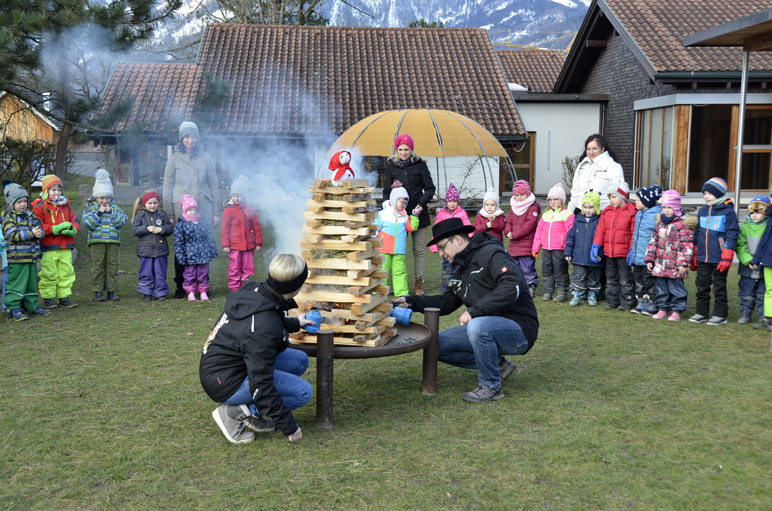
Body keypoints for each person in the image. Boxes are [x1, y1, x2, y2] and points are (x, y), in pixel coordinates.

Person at [393, 218, 539, 403]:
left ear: (457, 239)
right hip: (485, 326)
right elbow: (446, 302)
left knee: (477, 325)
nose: (440, 253)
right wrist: (410, 301)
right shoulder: (461, 270)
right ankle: (497, 366)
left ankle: (491, 386)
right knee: (435, 345)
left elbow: (513, 283)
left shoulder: (491, 253)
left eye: (442, 247)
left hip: (519, 329)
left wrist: (476, 310)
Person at [199, 253, 315, 444]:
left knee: (299, 361)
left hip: (226, 364)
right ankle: (234, 413)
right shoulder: (262, 329)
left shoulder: (257, 289)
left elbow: (266, 319)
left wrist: (295, 323)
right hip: (225, 382)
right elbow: (261, 383)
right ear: (298, 285)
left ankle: (251, 412)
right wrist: (288, 425)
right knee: (302, 392)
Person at [163, 121, 221, 299]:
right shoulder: (174, 159)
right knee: (182, 247)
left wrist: (216, 212)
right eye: (187, 137)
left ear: (197, 138)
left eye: (193, 136)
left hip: (203, 207)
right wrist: (170, 214)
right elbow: (167, 186)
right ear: (182, 139)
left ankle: (203, 285)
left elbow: (214, 184)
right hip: (181, 210)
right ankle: (182, 286)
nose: (190, 140)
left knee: (203, 247)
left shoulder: (206, 158)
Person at [382, 133, 436, 295]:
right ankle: (394, 284)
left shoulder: (420, 165)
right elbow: (386, 191)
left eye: (406, 149)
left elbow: (430, 189)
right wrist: (387, 207)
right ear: (396, 150)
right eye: (400, 150)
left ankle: (419, 283)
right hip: (398, 217)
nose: (403, 153)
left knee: (418, 250)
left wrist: (421, 204)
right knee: (395, 251)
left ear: (411, 149)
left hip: (418, 214)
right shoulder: (391, 166)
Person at [689, 178, 740, 326]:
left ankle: (720, 315)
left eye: (709, 193)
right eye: (704, 193)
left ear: (719, 193)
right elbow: (698, 233)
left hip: (719, 257)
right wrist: (695, 250)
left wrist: (728, 253)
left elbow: (732, 233)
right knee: (701, 285)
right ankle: (701, 313)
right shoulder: (703, 211)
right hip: (702, 257)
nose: (706, 196)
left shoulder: (728, 212)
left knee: (719, 287)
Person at [643, 190, 696, 322]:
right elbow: (653, 241)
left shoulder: (683, 225)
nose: (666, 211)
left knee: (676, 289)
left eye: (669, 208)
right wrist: (650, 259)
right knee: (661, 288)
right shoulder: (660, 223)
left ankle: (677, 311)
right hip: (661, 264)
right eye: (664, 207)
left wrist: (683, 263)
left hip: (675, 265)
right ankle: (663, 309)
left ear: (676, 208)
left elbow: (687, 245)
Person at [2, 180, 50, 320]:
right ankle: (14, 309)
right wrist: (31, 233)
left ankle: (32, 306)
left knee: (30, 284)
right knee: (16, 284)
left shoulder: (30, 215)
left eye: (25, 201)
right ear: (11, 203)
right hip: (17, 259)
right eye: (19, 202)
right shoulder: (8, 218)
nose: (23, 204)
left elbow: (39, 228)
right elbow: (12, 235)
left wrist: (40, 233)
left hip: (32, 257)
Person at [31, 175, 80, 309]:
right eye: (53, 189)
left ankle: (64, 297)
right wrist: (54, 229)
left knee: (66, 272)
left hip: (65, 246)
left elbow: (75, 220)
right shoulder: (39, 206)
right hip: (48, 246)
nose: (57, 192)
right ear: (45, 190)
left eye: (59, 189)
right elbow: (38, 225)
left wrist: (73, 229)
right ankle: (48, 298)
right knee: (49, 273)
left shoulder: (67, 205)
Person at [81, 169, 128, 302]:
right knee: (98, 267)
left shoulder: (115, 208)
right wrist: (99, 213)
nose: (105, 201)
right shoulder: (90, 209)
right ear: (96, 197)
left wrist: (111, 212)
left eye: (107, 198)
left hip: (113, 242)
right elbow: (89, 224)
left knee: (113, 266)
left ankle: (111, 291)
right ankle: (98, 291)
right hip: (97, 242)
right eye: (102, 198)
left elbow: (122, 222)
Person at [592, 183, 637, 310]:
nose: (611, 200)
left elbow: (633, 232)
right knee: (611, 278)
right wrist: (596, 245)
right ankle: (613, 300)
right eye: (610, 197)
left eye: (614, 197)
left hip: (623, 253)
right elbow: (600, 231)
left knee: (625, 278)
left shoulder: (631, 212)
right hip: (609, 252)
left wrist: (632, 249)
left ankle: (627, 301)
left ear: (623, 196)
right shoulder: (606, 212)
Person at [532, 183, 573, 302]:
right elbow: (539, 232)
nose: (552, 202)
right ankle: (548, 292)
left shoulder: (568, 215)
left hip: (560, 249)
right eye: (550, 199)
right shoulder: (545, 215)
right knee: (546, 271)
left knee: (560, 271)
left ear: (562, 200)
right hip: (546, 249)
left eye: (556, 199)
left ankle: (562, 292)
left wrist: (569, 249)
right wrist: (535, 248)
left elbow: (571, 234)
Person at [221, 175, 263, 292]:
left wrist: (258, 243)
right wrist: (225, 244)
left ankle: (245, 286)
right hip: (234, 245)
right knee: (234, 267)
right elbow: (225, 228)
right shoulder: (228, 210)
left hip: (248, 245)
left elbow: (256, 226)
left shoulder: (251, 209)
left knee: (247, 266)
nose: (236, 198)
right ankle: (235, 288)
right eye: (234, 196)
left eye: (238, 196)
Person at [174, 195, 219, 301]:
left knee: (203, 273)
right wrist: (181, 258)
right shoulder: (180, 225)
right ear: (185, 210)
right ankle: (191, 292)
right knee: (189, 274)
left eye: (195, 210)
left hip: (203, 254)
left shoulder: (203, 222)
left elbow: (209, 237)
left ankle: (203, 291)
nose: (193, 212)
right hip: (189, 256)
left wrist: (213, 251)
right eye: (190, 210)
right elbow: (179, 243)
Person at [566, 134, 625, 214]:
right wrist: (569, 213)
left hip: (603, 211)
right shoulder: (581, 165)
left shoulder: (613, 166)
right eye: (588, 149)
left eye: (594, 148)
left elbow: (618, 193)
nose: (591, 152)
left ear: (603, 149)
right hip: (580, 210)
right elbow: (575, 191)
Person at [131, 190, 173, 301]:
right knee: (146, 272)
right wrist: (146, 228)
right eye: (150, 203)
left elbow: (169, 229)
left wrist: (161, 229)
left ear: (158, 203)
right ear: (144, 203)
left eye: (155, 203)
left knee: (160, 272)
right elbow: (134, 230)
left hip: (161, 249)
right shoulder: (140, 216)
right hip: (145, 250)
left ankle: (160, 293)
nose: (153, 205)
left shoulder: (162, 214)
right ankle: (146, 292)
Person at [376, 187, 419, 297]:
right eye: (402, 201)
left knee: (400, 271)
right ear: (394, 199)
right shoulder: (382, 214)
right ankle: (379, 291)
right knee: (381, 270)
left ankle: (401, 292)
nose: (404, 204)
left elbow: (411, 228)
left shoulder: (405, 216)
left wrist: (414, 216)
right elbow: (375, 229)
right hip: (383, 248)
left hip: (399, 249)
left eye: (406, 202)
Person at [430, 183, 472, 293]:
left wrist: (470, 240)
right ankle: (446, 289)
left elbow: (467, 228)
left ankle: (459, 287)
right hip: (446, 248)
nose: (452, 204)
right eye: (450, 201)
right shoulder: (441, 215)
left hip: (459, 247)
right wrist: (435, 246)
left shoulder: (462, 214)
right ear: (446, 202)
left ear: (457, 202)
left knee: (459, 267)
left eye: (454, 201)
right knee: (447, 268)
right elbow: (437, 232)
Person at [565, 191, 603, 306]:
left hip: (594, 257)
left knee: (593, 277)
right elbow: (570, 237)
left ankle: (592, 294)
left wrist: (600, 254)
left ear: (596, 207)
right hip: (578, 256)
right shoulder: (578, 220)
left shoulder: (600, 220)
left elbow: (602, 238)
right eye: (585, 207)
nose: (587, 210)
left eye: (591, 207)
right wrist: (568, 252)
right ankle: (577, 294)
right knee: (578, 276)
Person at [629, 185, 663, 315]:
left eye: (638, 200)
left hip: (649, 257)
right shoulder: (639, 214)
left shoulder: (656, 216)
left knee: (650, 281)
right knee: (638, 280)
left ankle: (653, 302)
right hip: (637, 256)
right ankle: (642, 301)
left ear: (646, 201)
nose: (635, 202)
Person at [736, 196, 769, 325]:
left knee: (763, 291)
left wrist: (762, 261)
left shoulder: (769, 229)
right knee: (746, 290)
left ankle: (763, 315)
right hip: (747, 266)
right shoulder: (743, 228)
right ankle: (746, 313)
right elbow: (740, 246)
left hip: (764, 265)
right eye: (752, 212)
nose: (754, 215)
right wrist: (748, 260)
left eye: (758, 212)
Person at [505, 180, 541, 297]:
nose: (519, 197)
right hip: (514, 245)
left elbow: (530, 224)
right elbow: (508, 221)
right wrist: (508, 231)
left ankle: (531, 285)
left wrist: (515, 234)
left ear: (528, 194)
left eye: (522, 194)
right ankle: (518, 286)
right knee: (515, 266)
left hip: (526, 243)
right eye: (516, 195)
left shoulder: (532, 207)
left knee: (527, 267)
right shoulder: (514, 207)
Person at [750, 191, 772, 331]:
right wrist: (756, 259)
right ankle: (768, 318)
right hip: (769, 260)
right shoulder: (770, 218)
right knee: (770, 289)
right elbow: (764, 240)